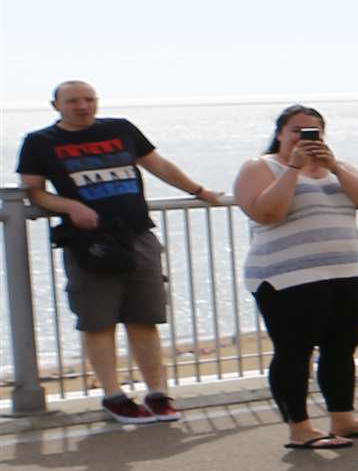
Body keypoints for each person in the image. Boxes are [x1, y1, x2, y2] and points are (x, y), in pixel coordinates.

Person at [15, 80, 224, 424]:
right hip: (90, 242)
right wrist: (69, 206)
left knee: (145, 319)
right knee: (99, 321)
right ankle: (114, 397)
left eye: (89, 99)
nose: (83, 106)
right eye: (73, 101)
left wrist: (199, 190)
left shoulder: (120, 129)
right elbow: (34, 192)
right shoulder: (40, 142)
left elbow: (158, 165)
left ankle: (158, 394)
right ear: (56, 106)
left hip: (138, 234)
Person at [230, 105, 358, 450]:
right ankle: (300, 428)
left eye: (314, 131)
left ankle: (343, 419)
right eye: (296, 131)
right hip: (286, 278)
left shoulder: (339, 168)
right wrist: (293, 168)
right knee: (294, 351)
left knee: (341, 349)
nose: (305, 138)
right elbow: (267, 212)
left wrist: (333, 166)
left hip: (345, 273)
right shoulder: (260, 168)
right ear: (280, 134)